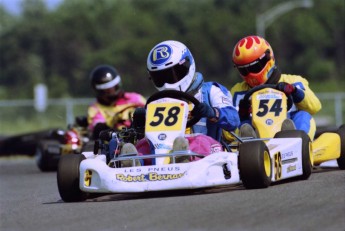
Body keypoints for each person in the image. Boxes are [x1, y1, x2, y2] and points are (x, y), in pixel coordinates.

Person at [120, 40, 240, 166]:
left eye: (173, 74)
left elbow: (234, 120)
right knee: (143, 145)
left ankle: (183, 157)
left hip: (206, 150)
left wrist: (213, 113)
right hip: (163, 148)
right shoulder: (157, 101)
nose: (167, 83)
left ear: (187, 65)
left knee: (199, 141)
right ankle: (135, 164)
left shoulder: (210, 91)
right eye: (161, 78)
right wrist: (139, 124)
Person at [230, 35, 321, 140]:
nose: (250, 73)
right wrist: (242, 115)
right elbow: (228, 131)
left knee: (303, 115)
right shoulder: (237, 92)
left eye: (255, 67)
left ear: (268, 57)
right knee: (243, 125)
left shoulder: (293, 81)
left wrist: (294, 91)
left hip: (288, 128)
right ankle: (248, 140)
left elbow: (315, 107)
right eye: (244, 70)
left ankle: (296, 140)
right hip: (256, 142)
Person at [88, 64, 146, 139]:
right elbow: (98, 130)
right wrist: (113, 121)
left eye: (114, 87)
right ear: (100, 91)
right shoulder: (95, 108)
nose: (112, 91)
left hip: (142, 136)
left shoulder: (136, 98)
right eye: (108, 90)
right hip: (116, 143)